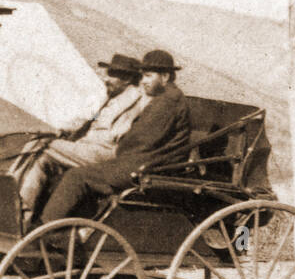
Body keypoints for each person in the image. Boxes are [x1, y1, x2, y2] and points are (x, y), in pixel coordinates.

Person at [37, 49, 192, 225]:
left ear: (164, 77)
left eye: (148, 76)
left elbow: (140, 140)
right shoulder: (164, 98)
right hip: (140, 162)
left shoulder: (167, 101)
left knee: (77, 176)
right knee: (75, 172)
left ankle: (50, 230)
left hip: (144, 166)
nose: (143, 81)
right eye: (142, 76)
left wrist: (121, 147)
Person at [15, 54, 147, 223]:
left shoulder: (137, 99)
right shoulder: (110, 97)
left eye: (112, 74)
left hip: (104, 153)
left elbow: (125, 134)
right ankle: (21, 213)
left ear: (127, 78)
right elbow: (85, 119)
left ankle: (9, 190)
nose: (106, 79)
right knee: (42, 160)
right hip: (85, 149)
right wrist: (58, 130)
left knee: (40, 143)